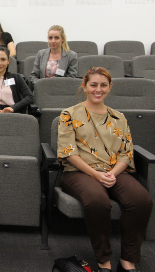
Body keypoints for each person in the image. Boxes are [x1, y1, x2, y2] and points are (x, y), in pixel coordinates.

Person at [57, 67, 152, 272]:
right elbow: (69, 152)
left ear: (110, 87)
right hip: (79, 172)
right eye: (93, 85)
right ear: (84, 86)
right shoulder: (69, 114)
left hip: (114, 171)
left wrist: (112, 174)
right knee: (97, 200)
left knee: (141, 200)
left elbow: (127, 153)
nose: (98, 89)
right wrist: (96, 175)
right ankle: (104, 261)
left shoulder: (119, 117)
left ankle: (128, 260)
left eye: (103, 85)